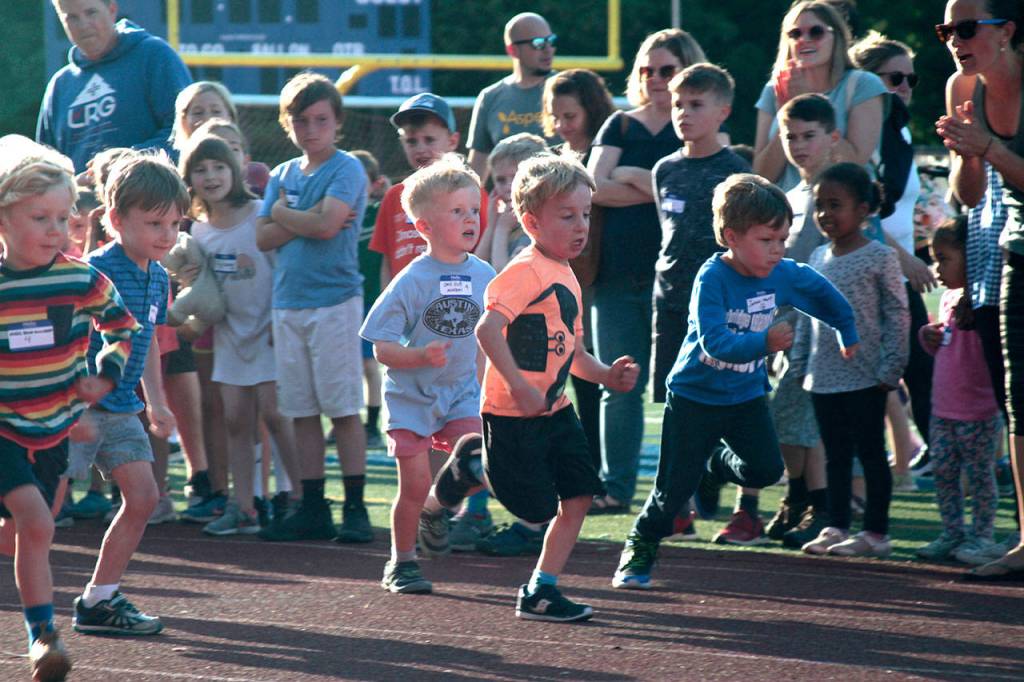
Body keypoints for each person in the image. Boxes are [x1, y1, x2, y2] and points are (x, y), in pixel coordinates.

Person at [612, 173, 858, 590]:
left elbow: (819, 292)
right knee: (673, 491)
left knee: (765, 469)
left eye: (782, 239)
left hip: (745, 396)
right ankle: (639, 548)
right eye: (767, 240)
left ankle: (714, 464)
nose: (778, 249)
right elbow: (715, 342)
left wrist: (846, 329)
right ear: (732, 237)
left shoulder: (781, 272)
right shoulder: (712, 278)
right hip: (694, 397)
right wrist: (764, 342)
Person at [475, 154, 639, 620]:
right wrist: (518, 386)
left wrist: (607, 375)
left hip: (556, 410)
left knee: (580, 495)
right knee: (535, 506)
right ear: (531, 222)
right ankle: (470, 465)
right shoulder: (525, 271)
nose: (581, 225)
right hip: (512, 414)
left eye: (586, 213)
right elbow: (487, 331)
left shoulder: (567, 273)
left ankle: (540, 590)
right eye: (567, 215)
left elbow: (574, 354)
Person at [0, 135, 137, 680]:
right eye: (40, 218)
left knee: (29, 534)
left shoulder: (80, 278)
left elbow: (122, 326)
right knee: (35, 522)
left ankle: (38, 637)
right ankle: (45, 635)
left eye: (64, 218)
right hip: (4, 427)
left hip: (54, 430)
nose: (56, 230)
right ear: (4, 219)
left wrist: (105, 374)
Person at [360, 156, 495, 593]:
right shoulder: (411, 279)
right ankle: (401, 562)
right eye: (457, 211)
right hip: (411, 397)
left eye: (473, 209)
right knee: (414, 485)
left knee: (481, 462)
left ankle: (436, 511)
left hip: (462, 393)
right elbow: (381, 347)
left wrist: (490, 385)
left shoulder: (486, 276)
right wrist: (418, 355)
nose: (470, 219)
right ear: (424, 227)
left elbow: (493, 337)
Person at [587, 28, 707, 516]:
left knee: (689, 389)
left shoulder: (698, 124)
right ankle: (616, 489)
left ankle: (689, 494)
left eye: (667, 69)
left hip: (684, 279)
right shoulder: (619, 125)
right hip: (617, 274)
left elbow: (701, 194)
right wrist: (663, 188)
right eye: (647, 69)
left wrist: (636, 177)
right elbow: (593, 186)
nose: (656, 78)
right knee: (618, 385)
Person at [68, 153, 187, 635]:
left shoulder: (158, 276)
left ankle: (99, 599)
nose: (167, 234)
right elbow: (69, 340)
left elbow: (149, 341)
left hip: (121, 410)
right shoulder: (93, 271)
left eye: (175, 223)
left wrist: (156, 401)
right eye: (155, 223)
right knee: (39, 513)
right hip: (77, 410)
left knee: (144, 497)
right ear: (116, 220)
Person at [255, 72, 371, 544]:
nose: (311, 129)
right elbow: (262, 238)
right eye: (301, 121)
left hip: (335, 301)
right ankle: (313, 507)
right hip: (288, 304)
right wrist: (307, 216)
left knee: (342, 409)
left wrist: (283, 213)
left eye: (321, 120)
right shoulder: (282, 173)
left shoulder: (347, 169)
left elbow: (325, 227)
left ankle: (356, 508)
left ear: (337, 122)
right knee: (301, 410)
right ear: (288, 125)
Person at [646, 64, 754, 544]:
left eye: (696, 104)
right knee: (677, 404)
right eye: (677, 104)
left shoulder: (736, 172)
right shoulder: (664, 169)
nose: (684, 114)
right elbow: (666, 235)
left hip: (723, 310)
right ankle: (678, 508)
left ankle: (743, 505)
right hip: (671, 302)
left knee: (732, 403)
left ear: (723, 111)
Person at [936, 0, 1024, 581]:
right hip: (1018, 248)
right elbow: (969, 195)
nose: (954, 40)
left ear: (1007, 31)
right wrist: (969, 153)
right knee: (1020, 402)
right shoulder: (961, 88)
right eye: (946, 30)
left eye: (966, 28)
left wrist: (988, 147)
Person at [181, 134, 300, 536]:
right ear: (190, 180)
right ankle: (244, 506)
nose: (211, 176)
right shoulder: (198, 232)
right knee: (234, 419)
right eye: (201, 170)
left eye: (219, 167)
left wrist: (279, 321)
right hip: (230, 335)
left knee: (276, 415)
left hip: (268, 331)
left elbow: (282, 269)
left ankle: (299, 498)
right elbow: (204, 288)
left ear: (235, 170)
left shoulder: (257, 214)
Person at [794, 163, 909, 558]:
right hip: (822, 376)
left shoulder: (880, 257)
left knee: (871, 453)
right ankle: (837, 525)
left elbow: (897, 313)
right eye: (819, 205)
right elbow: (806, 314)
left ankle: (876, 532)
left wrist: (892, 365)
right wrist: (799, 363)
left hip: (866, 375)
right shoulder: (816, 256)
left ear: (863, 210)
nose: (825, 213)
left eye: (835, 205)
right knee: (835, 454)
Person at [851, 32, 937, 491]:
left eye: (910, 79)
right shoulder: (867, 130)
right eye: (893, 77)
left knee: (921, 373)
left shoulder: (899, 127)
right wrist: (906, 261)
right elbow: (861, 211)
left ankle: (941, 462)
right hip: (872, 270)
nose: (904, 86)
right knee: (879, 379)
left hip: (896, 268)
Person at [768, 94, 839, 550]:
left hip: (823, 326)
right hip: (788, 324)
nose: (799, 145)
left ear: (833, 137)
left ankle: (821, 505)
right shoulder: (790, 196)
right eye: (791, 136)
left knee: (810, 423)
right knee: (785, 419)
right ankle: (798, 495)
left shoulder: (838, 191)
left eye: (809, 135)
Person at [541, 68, 616, 480]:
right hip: (562, 280)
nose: (561, 125)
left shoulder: (610, 151)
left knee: (596, 376)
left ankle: (600, 468)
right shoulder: (554, 162)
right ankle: (583, 467)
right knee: (571, 376)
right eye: (555, 116)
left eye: (570, 115)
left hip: (603, 280)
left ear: (591, 109)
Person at [915, 217, 1002, 561]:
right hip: (943, 409)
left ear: (971, 256)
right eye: (935, 259)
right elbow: (946, 346)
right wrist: (927, 336)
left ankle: (981, 535)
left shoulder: (987, 302)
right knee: (944, 474)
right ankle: (952, 533)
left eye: (944, 259)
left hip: (978, 411)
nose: (937, 268)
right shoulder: (949, 297)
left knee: (980, 476)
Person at [37, 0, 192, 173]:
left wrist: (125, 163)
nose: (83, 25)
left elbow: (187, 131)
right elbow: (45, 167)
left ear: (112, 10)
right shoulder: (60, 86)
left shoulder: (153, 56)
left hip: (149, 188)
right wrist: (72, 182)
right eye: (72, 18)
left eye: (91, 12)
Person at [753, 1, 886, 192]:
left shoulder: (864, 85)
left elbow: (855, 164)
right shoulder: (773, 89)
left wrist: (807, 101)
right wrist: (787, 118)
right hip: (788, 206)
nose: (804, 39)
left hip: (841, 204)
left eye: (816, 32)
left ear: (837, 36)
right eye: (795, 33)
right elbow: (762, 176)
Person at [370, 92, 470, 287]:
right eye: (411, 141)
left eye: (429, 140)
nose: (420, 148)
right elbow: (387, 261)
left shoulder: (469, 193)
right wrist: (388, 299)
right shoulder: (394, 196)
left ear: (452, 141)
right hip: (406, 298)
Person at [467, 12, 558, 181]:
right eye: (538, 43)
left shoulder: (568, 89)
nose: (548, 49)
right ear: (513, 50)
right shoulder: (490, 97)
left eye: (551, 41)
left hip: (560, 194)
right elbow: (476, 172)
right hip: (510, 196)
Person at [351, 149, 389, 450]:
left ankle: (372, 425)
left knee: (368, 363)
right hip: (343, 299)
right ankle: (348, 421)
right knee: (345, 364)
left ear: (374, 184)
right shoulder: (338, 214)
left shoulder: (379, 213)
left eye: (359, 180)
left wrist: (385, 195)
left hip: (370, 300)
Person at [476, 133, 549, 271]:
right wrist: (491, 226)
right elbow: (475, 271)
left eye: (516, 178)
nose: (509, 187)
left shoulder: (538, 226)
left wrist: (502, 229)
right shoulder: (503, 220)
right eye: (501, 180)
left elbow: (504, 275)